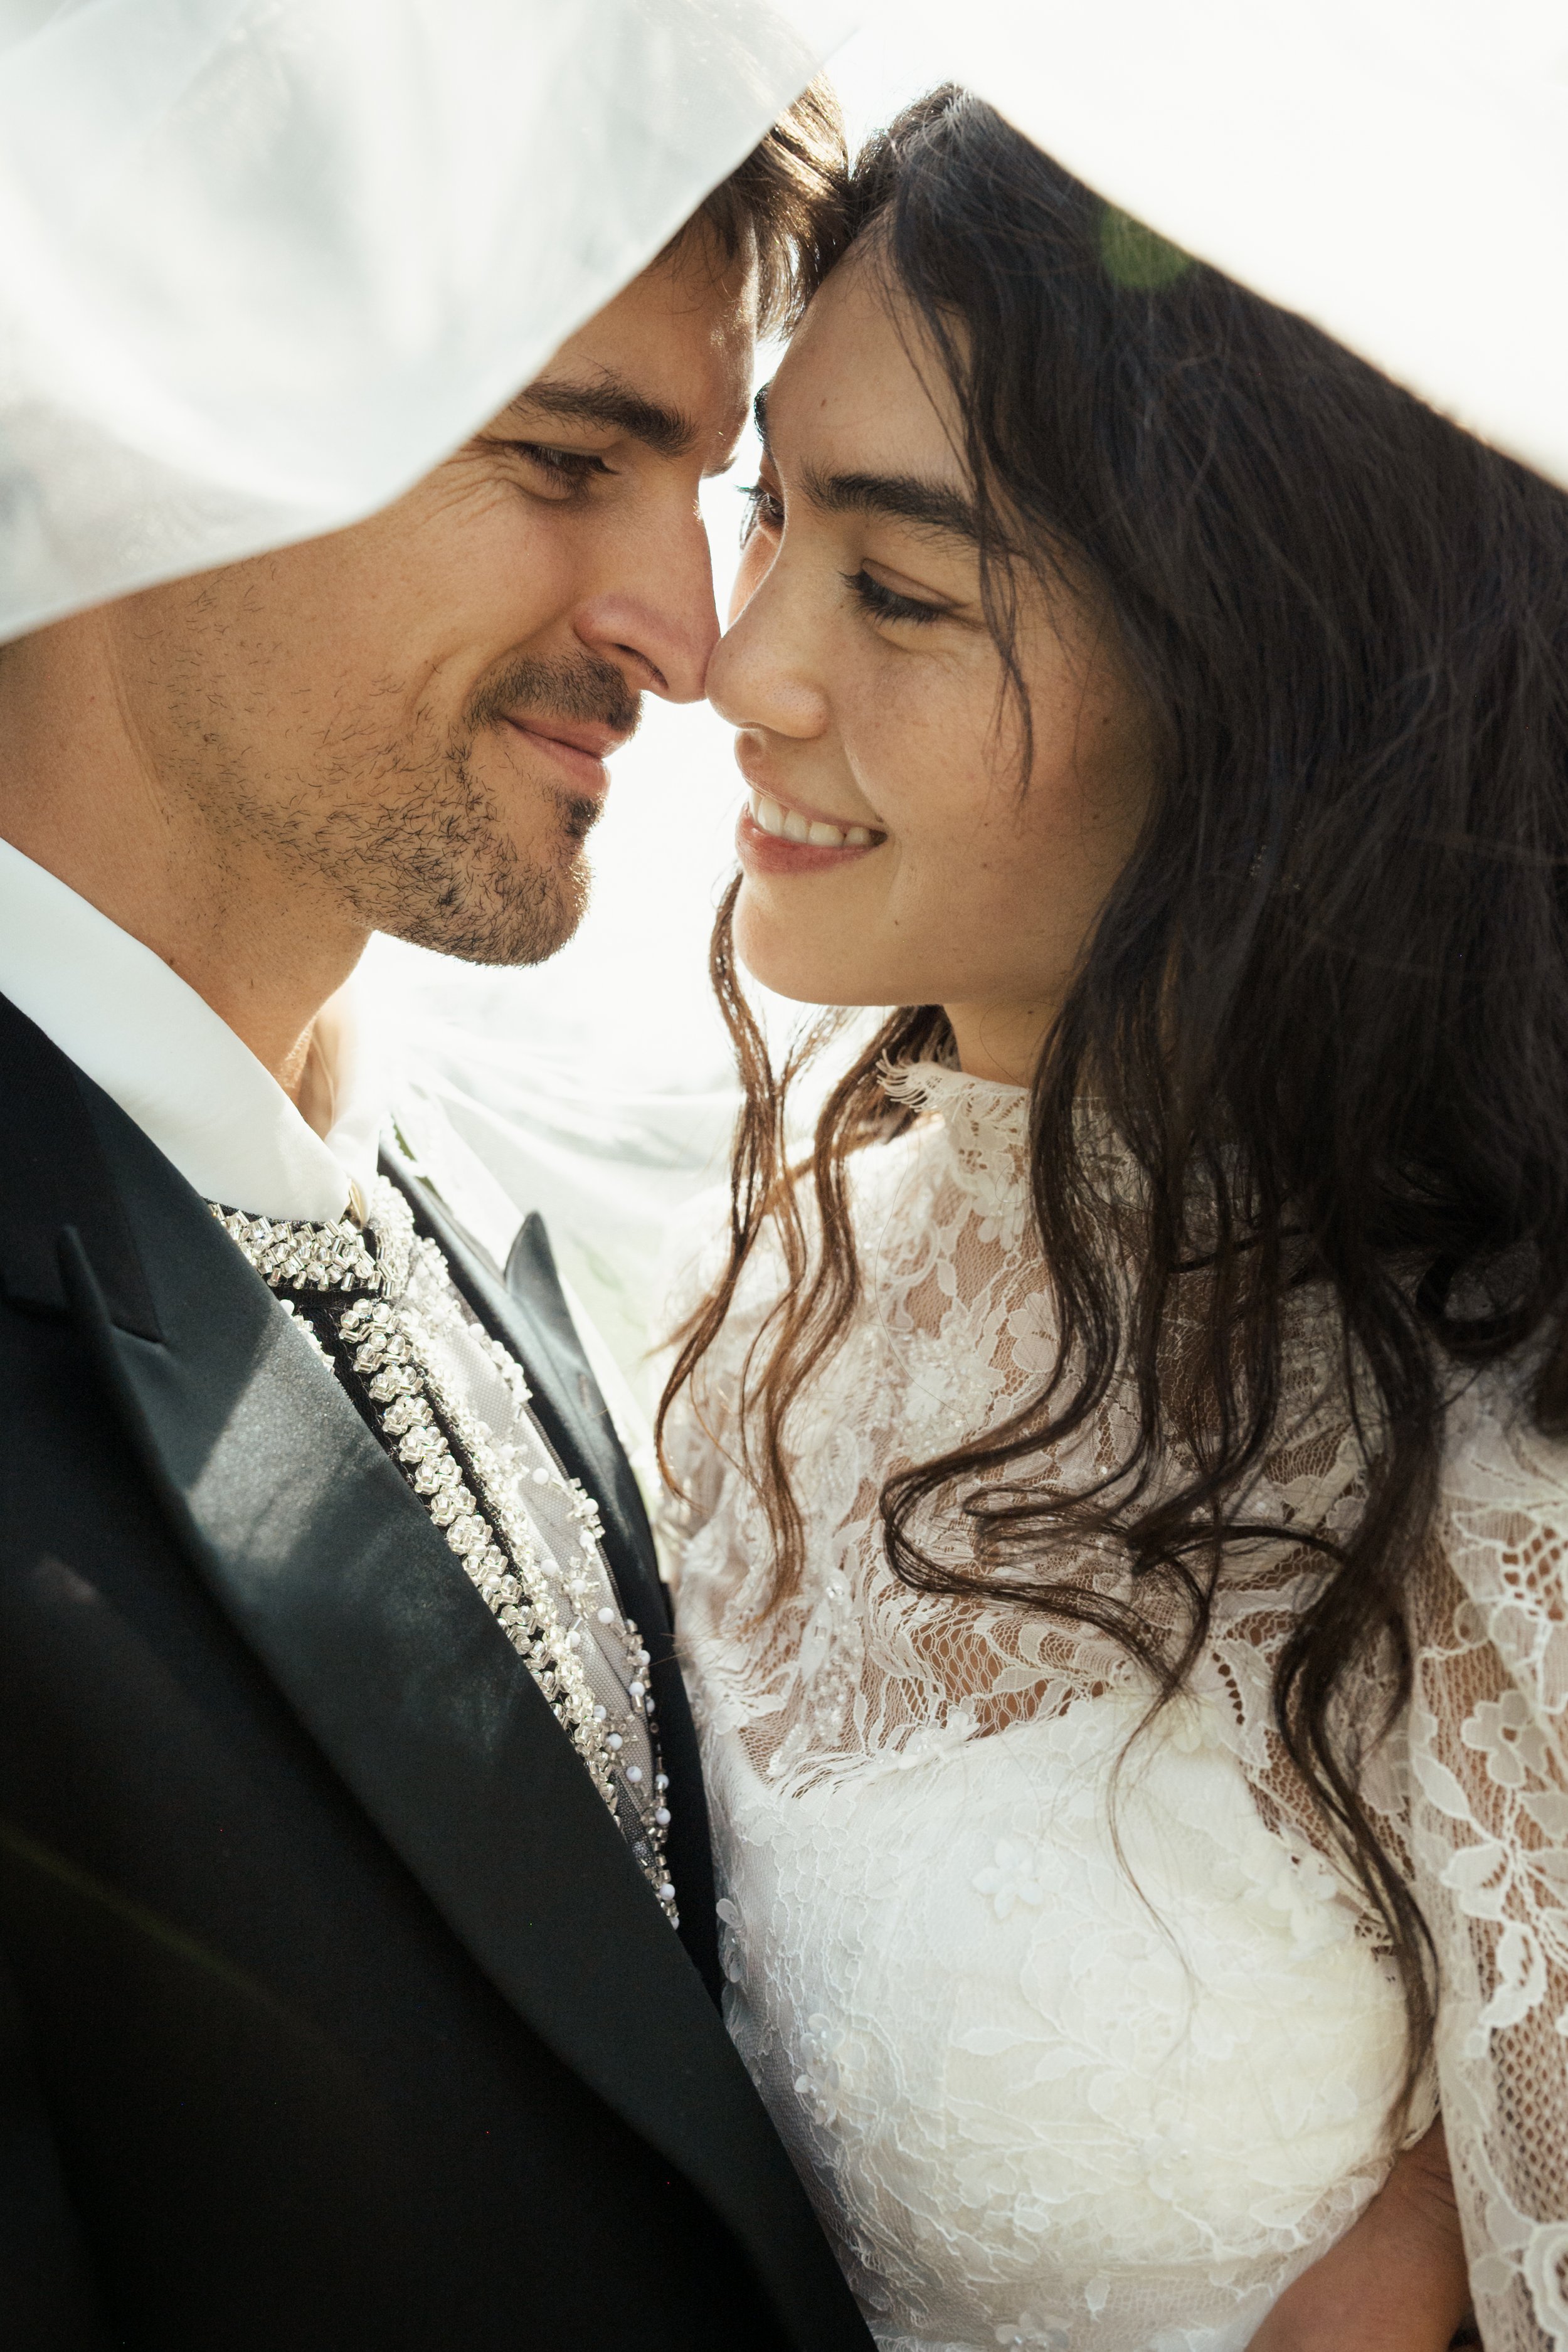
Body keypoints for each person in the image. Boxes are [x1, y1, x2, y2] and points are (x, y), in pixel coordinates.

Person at [659, 88, 1568, 2352]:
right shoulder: (748, 1296)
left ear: (1254, 680)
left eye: (898, 587)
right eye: (767, 512)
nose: (739, 668)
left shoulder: (1494, 1435)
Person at [0, 87, 879, 2352]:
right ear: (133, 403)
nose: (691, 637)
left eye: (707, 491)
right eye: (566, 456)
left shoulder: (480, 1215)